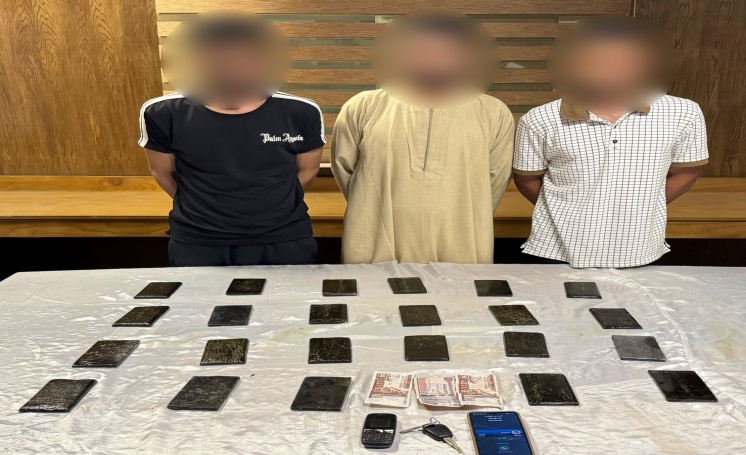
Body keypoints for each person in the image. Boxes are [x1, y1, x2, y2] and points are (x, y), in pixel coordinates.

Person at [513, 16, 708, 268]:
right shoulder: (539, 119)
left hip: (639, 249)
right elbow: (526, 180)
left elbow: (686, 174)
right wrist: (569, 214)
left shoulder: (684, 113)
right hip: (556, 249)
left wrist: (641, 209)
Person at [138, 12, 324, 266]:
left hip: (284, 237)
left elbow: (308, 170)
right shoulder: (161, 112)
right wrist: (206, 207)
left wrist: (270, 203)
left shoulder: (302, 111)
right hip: (198, 240)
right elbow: (162, 172)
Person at [331, 12, 514, 264]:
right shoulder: (363, 106)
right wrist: (371, 206)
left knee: (459, 290)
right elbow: (345, 170)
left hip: (462, 243)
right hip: (374, 243)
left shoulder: (493, 112)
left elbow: (495, 180)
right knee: (374, 290)